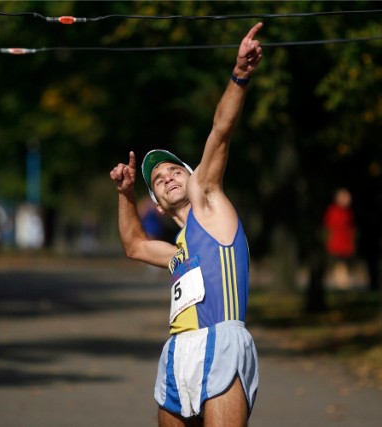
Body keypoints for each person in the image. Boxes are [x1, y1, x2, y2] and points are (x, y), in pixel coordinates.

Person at [109, 23, 263, 427]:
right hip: (177, 351)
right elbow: (135, 247)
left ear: (194, 177)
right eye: (157, 179)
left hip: (221, 341)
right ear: (157, 203)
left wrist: (240, 74)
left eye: (175, 170)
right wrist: (126, 194)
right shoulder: (178, 249)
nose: (166, 177)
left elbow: (221, 131)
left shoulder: (210, 205)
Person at [323, 188, 356, 289]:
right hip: (336, 241)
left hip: (345, 240)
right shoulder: (332, 211)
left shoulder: (349, 212)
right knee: (339, 261)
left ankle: (342, 280)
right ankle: (340, 281)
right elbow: (328, 225)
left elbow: (351, 227)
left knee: (343, 261)